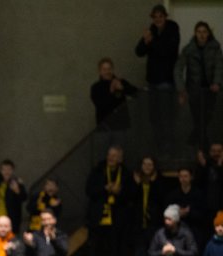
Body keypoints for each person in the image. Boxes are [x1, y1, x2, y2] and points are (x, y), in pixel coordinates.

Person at [83, 145, 133, 256]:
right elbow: (89, 190)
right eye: (110, 155)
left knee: (114, 255)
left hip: (116, 221)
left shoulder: (125, 173)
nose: (111, 158)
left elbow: (131, 195)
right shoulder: (97, 170)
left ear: (121, 158)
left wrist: (119, 191)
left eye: (115, 155)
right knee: (93, 253)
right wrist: (104, 188)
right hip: (98, 220)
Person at [135, 4, 180, 155]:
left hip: (166, 81)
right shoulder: (152, 30)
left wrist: (151, 42)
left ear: (165, 16)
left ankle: (168, 148)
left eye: (160, 16)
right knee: (154, 118)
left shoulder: (172, 29)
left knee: (166, 117)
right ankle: (157, 146)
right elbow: (139, 51)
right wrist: (145, 41)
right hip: (152, 82)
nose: (158, 19)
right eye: (155, 17)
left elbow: (167, 51)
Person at [174, 21, 223, 150]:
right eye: (199, 32)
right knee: (197, 116)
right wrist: (181, 89)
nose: (201, 35)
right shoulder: (188, 49)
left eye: (204, 32)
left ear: (208, 33)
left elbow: (219, 66)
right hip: (194, 89)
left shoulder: (215, 47)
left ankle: (194, 140)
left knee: (208, 116)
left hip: (211, 90)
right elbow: (178, 68)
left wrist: (217, 82)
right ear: (195, 33)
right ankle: (204, 146)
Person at [166, 168, 207, 256]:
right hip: (177, 242)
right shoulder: (173, 195)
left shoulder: (199, 194)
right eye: (181, 176)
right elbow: (167, 217)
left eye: (186, 176)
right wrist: (178, 214)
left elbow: (204, 216)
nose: (183, 178)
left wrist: (189, 213)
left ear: (191, 177)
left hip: (195, 241)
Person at [130, 156, 172, 256]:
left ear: (154, 166)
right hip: (139, 224)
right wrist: (137, 185)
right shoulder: (136, 180)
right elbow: (130, 199)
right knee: (140, 254)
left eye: (150, 164)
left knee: (156, 253)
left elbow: (161, 199)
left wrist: (153, 183)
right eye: (145, 164)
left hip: (154, 224)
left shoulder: (159, 181)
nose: (147, 167)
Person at [91, 57, 138, 134]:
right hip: (105, 126)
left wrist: (123, 88)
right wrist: (111, 92)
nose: (107, 72)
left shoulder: (121, 82)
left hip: (121, 125)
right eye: (104, 69)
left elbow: (136, 93)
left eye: (109, 69)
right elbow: (99, 105)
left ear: (112, 69)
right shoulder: (96, 87)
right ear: (100, 71)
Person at [0, 159, 28, 234]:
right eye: (4, 170)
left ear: (13, 171)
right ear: (1, 171)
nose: (6, 172)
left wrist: (17, 190)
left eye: (9, 169)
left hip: (11, 218)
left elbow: (24, 198)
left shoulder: (17, 182)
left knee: (11, 242)